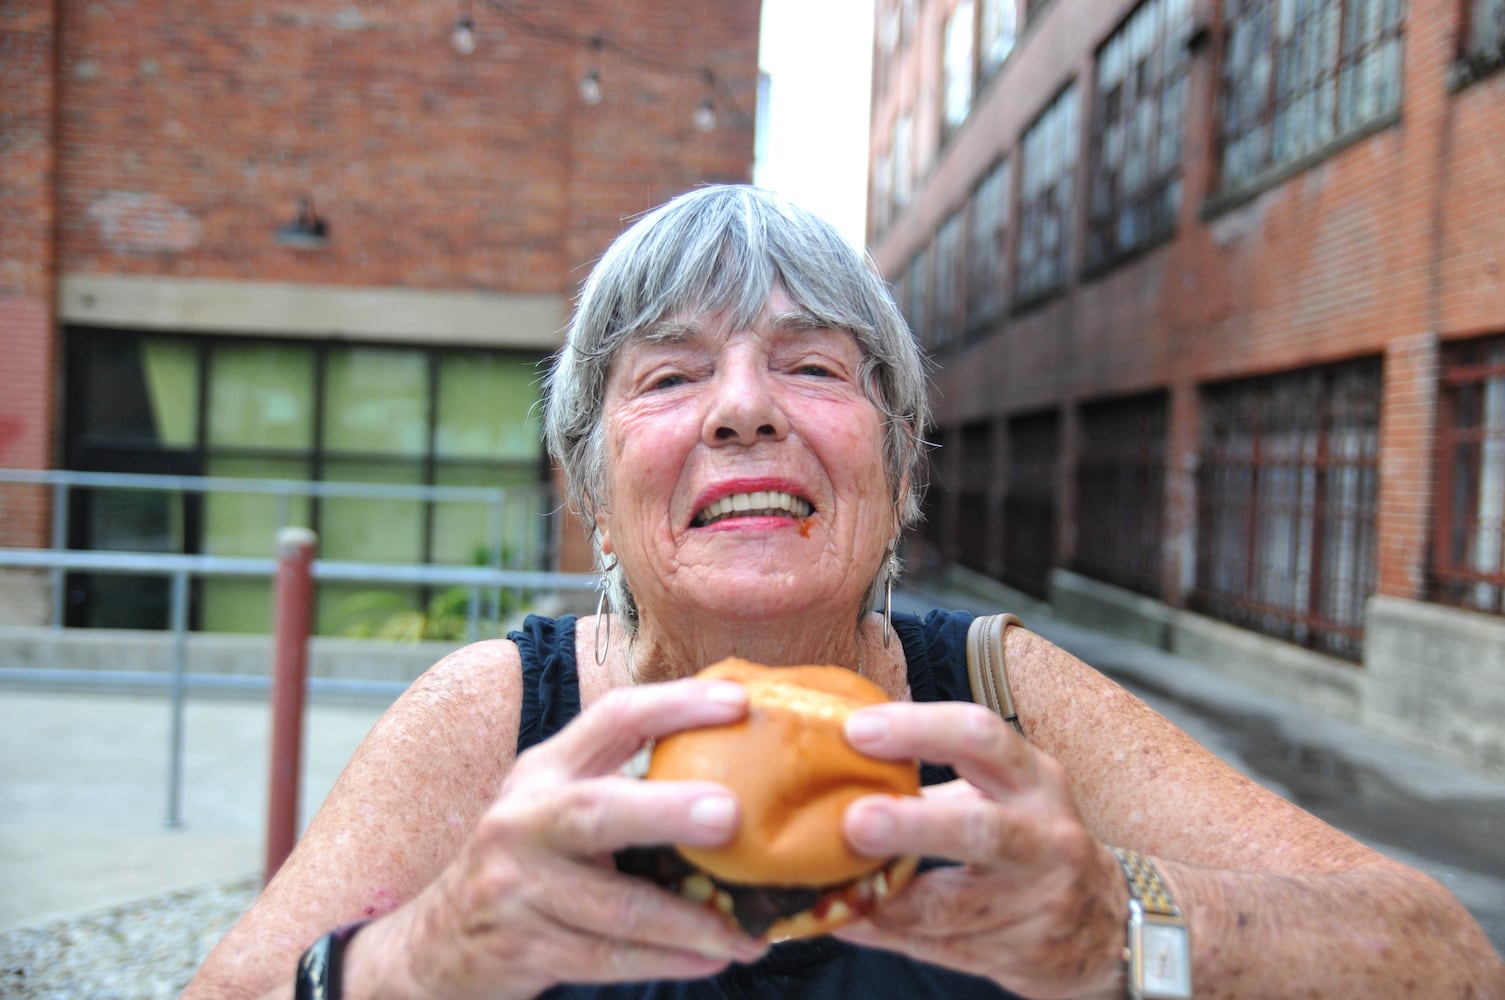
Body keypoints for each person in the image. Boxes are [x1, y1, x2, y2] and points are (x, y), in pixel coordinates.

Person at [187, 185, 1505, 999]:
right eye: (668, 376)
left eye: (813, 368)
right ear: (585, 480)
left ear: (895, 452)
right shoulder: (494, 717)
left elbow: (1444, 962)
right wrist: (418, 964)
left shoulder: (1001, 703)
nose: (747, 410)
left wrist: (1118, 929)